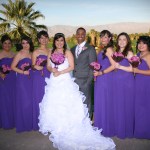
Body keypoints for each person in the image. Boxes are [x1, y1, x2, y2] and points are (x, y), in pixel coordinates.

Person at [38, 33, 115, 150]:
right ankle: (57, 126)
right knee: (55, 103)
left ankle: (67, 126)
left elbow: (72, 67)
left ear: (64, 42)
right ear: (54, 42)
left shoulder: (68, 52)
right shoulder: (50, 52)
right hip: (54, 80)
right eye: (57, 41)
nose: (59, 43)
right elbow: (48, 65)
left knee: (67, 104)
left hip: (64, 79)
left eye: (61, 41)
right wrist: (52, 69)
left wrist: (61, 72)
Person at [71, 27, 97, 118]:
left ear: (85, 35)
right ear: (76, 35)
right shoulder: (72, 49)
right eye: (78, 33)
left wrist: (88, 82)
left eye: (83, 34)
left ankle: (88, 124)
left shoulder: (90, 49)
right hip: (74, 81)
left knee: (87, 104)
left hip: (85, 81)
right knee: (77, 104)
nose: (80, 36)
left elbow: (92, 66)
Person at [94, 30, 116, 137]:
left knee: (104, 100)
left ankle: (105, 127)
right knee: (102, 101)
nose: (103, 39)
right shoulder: (103, 49)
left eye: (106, 37)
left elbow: (114, 65)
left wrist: (101, 72)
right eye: (102, 37)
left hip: (105, 78)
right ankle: (101, 125)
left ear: (110, 38)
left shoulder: (108, 49)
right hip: (101, 77)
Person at [114, 32, 134, 138]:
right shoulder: (117, 52)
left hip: (126, 82)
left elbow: (133, 69)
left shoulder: (129, 53)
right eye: (120, 39)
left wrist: (120, 67)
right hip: (118, 81)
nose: (121, 41)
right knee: (119, 104)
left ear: (127, 41)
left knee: (125, 105)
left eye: (124, 39)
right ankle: (119, 127)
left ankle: (125, 130)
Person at [11, 36, 34, 132]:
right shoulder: (19, 54)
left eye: (27, 43)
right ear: (21, 44)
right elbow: (12, 67)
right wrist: (23, 72)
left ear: (30, 43)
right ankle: (24, 123)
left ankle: (30, 122)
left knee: (30, 101)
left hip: (31, 79)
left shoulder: (32, 53)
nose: (25, 45)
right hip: (22, 80)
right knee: (25, 101)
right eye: (23, 43)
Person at [32, 30, 50, 130]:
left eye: (45, 37)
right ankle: (40, 123)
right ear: (39, 40)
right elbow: (32, 66)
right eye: (41, 38)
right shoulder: (36, 52)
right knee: (40, 98)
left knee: (48, 99)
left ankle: (48, 123)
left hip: (49, 76)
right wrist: (36, 66)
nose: (44, 40)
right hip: (39, 77)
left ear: (48, 39)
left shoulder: (51, 50)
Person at [133, 36, 150, 139]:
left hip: (146, 83)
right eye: (139, 43)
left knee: (145, 107)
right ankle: (139, 129)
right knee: (138, 106)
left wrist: (138, 71)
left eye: (144, 43)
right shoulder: (139, 54)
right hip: (138, 82)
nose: (141, 45)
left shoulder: (148, 55)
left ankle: (145, 131)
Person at [0, 34, 16, 129]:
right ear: (2, 44)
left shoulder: (14, 54)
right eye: (5, 43)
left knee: (12, 99)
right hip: (3, 79)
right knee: (4, 100)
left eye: (9, 43)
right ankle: (5, 122)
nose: (7, 45)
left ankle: (13, 120)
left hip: (13, 79)